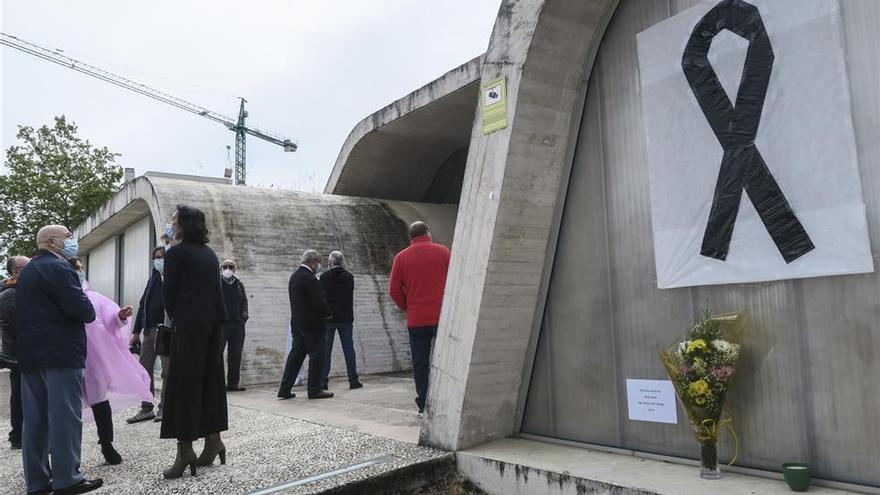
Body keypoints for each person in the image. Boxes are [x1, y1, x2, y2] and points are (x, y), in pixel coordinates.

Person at [17, 225, 103, 494]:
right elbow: (83, 310)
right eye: (67, 237)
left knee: (34, 421)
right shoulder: (59, 268)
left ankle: (37, 482)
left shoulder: (28, 271)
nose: (71, 241)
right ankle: (68, 478)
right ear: (52, 242)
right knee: (64, 416)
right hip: (61, 353)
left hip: (31, 355)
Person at [160, 205, 229, 479]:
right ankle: (213, 440)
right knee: (210, 381)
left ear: (183, 224)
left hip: (189, 326)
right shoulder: (209, 254)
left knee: (183, 385)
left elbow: (170, 295)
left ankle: (185, 450)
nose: (170, 222)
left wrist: (179, 316)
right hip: (214, 324)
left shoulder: (175, 252)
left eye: (174, 219)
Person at [68, 257, 152, 466]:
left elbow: (109, 320)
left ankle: (107, 445)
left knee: (100, 401)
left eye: (81, 268)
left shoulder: (95, 298)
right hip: (68, 356)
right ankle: (66, 452)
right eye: (75, 269)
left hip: (94, 358)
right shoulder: (61, 297)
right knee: (67, 405)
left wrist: (120, 316)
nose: (80, 272)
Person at [389, 221, 451, 415]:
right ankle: (448, 399)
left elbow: (394, 290)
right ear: (427, 233)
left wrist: (408, 307)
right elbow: (455, 279)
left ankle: (423, 402)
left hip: (416, 320)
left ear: (411, 236)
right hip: (441, 317)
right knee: (446, 360)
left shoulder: (401, 258)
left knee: (420, 363)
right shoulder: (443, 252)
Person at [277, 250, 333, 400]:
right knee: (316, 356)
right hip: (313, 325)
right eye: (318, 262)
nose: (319, 266)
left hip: (297, 324)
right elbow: (318, 301)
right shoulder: (310, 278)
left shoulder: (295, 277)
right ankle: (314, 390)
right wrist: (328, 313)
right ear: (312, 261)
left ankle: (284, 389)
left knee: (295, 357)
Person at [127, 246, 169, 423]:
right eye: (156, 257)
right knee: (144, 369)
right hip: (150, 330)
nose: (158, 260)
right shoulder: (152, 280)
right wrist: (136, 332)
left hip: (167, 331)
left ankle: (164, 408)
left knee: (167, 371)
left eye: (161, 257)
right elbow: (142, 305)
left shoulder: (174, 278)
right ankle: (146, 407)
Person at [319, 251, 362, 391]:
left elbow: (322, 297)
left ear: (330, 263)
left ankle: (323, 381)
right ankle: (353, 380)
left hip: (329, 319)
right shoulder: (349, 277)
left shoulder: (324, 277)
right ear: (342, 261)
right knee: (349, 349)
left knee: (326, 351)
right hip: (345, 319)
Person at [0, 255, 29, 450]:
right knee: (20, 393)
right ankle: (17, 435)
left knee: (22, 392)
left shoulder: (17, 291)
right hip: (19, 353)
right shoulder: (11, 294)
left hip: (21, 352)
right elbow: (21, 324)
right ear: (16, 272)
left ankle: (19, 433)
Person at [220, 259, 249, 392]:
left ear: (234, 269)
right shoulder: (217, 284)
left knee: (235, 355)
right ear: (220, 268)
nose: (227, 269)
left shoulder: (239, 284)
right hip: (221, 325)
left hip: (237, 324)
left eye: (230, 267)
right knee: (217, 354)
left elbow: (244, 301)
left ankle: (233, 383)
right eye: (225, 266)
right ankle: (217, 383)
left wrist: (244, 316)